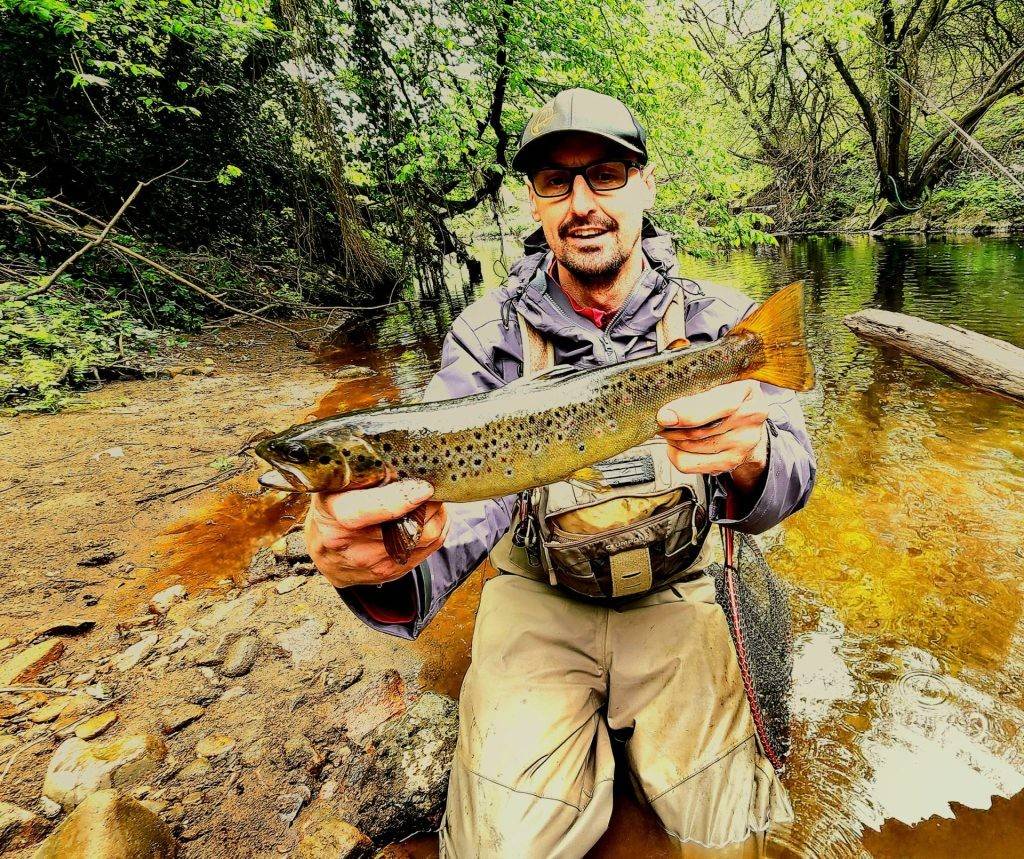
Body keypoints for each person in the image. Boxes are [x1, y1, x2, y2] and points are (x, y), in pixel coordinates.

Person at [305, 88, 816, 857]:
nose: (582, 203)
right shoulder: (487, 336)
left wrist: (752, 460)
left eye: (606, 174)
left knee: (728, 839)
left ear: (645, 183)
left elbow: (795, 475)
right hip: (540, 595)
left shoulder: (725, 321)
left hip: (680, 586)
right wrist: (377, 564)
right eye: (556, 181)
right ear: (536, 202)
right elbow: (459, 510)